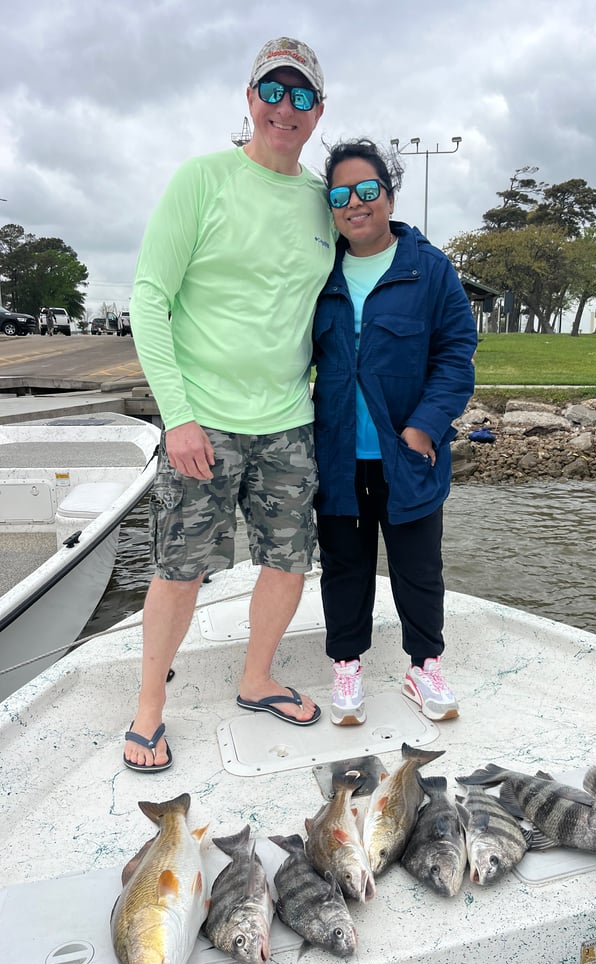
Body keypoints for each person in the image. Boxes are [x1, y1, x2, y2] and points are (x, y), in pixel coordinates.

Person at [123, 37, 336, 771]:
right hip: (203, 419)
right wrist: (175, 415)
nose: (286, 108)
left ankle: (258, 678)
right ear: (250, 100)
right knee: (179, 567)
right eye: (273, 92)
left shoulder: (322, 199)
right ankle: (149, 708)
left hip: (289, 419)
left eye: (302, 96)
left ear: (318, 112)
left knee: (288, 561)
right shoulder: (201, 179)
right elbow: (149, 300)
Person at [312, 139, 477, 726]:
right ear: (330, 205)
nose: (354, 203)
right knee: (344, 566)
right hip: (335, 456)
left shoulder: (428, 268)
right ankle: (347, 666)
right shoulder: (318, 268)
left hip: (406, 455)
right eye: (340, 194)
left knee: (418, 566)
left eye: (366, 190)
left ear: (388, 194)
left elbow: (458, 353)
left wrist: (425, 428)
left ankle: (423, 665)